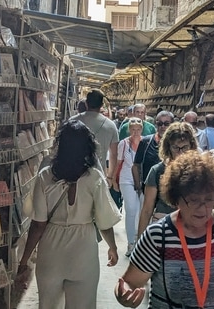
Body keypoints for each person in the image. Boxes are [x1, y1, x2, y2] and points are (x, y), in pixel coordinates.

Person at [115, 151, 214, 308]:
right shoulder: (158, 236)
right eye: (194, 200)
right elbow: (128, 283)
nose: (202, 209)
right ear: (176, 199)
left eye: (209, 200)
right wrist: (125, 295)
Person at [16, 120, 122, 309]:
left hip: (51, 249)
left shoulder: (45, 176)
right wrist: (112, 247)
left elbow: (38, 224)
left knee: (48, 304)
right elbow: (104, 221)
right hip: (83, 249)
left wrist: (24, 260)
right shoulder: (94, 177)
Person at [137, 122, 199, 238]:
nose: (180, 152)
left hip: (191, 227)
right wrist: (139, 242)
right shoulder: (157, 170)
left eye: (184, 147)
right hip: (163, 227)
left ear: (191, 146)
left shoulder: (199, 170)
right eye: (176, 147)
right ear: (168, 147)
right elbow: (147, 210)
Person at [69, 88, 118, 182]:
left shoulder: (73, 121)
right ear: (102, 105)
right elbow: (114, 154)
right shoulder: (110, 126)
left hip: (74, 175)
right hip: (98, 177)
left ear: (86, 103)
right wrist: (110, 176)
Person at [113, 117, 143, 256]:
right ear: (129, 130)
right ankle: (131, 243)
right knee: (131, 209)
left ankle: (139, 240)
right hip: (127, 178)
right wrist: (114, 180)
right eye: (133, 129)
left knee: (140, 210)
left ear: (141, 129)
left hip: (142, 180)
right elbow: (119, 163)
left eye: (138, 129)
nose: (136, 132)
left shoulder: (146, 142)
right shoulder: (124, 144)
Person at [132, 110, 174, 196]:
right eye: (160, 124)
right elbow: (136, 165)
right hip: (148, 190)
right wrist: (138, 186)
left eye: (166, 124)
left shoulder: (177, 144)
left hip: (170, 191)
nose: (163, 127)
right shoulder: (146, 141)